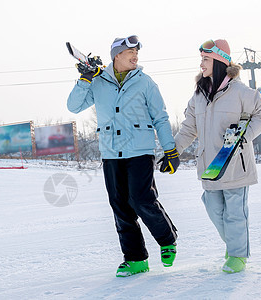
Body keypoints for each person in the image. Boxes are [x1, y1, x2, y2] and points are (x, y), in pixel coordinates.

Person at [67, 35, 179, 277]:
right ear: (116, 55)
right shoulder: (97, 82)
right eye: (130, 52)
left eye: (137, 51)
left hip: (139, 150)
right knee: (120, 205)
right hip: (111, 152)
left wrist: (170, 149)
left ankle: (167, 238)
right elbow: (73, 106)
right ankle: (136, 259)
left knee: (141, 199)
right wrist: (85, 79)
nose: (135, 55)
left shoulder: (145, 82)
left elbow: (160, 117)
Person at [169, 39, 261, 273]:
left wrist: (246, 136)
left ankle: (237, 254)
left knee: (235, 212)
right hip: (210, 164)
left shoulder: (241, 92)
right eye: (201, 59)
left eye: (205, 59)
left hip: (236, 164)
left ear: (218, 62)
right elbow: (188, 128)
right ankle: (234, 244)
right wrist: (173, 151)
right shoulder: (198, 95)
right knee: (213, 208)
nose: (201, 64)